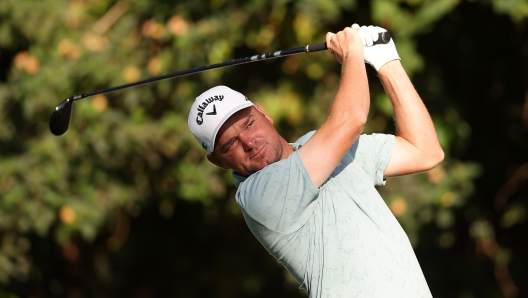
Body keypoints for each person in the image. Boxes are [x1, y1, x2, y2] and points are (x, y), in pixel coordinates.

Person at [187, 24, 444, 297]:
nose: (248, 143)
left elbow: (425, 151)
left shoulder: (322, 144)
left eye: (249, 124)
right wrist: (353, 53)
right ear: (218, 162)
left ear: (263, 113)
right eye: (230, 144)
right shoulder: (259, 195)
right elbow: (352, 118)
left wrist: (386, 61)